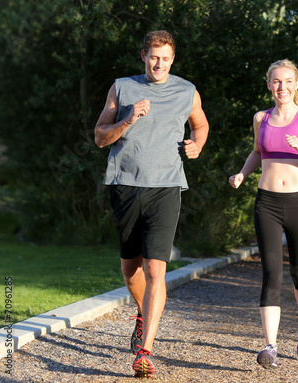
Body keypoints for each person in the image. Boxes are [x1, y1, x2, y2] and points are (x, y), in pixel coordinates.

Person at [94, 30, 209, 378]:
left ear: (173, 60)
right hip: (125, 185)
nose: (159, 64)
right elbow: (100, 137)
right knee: (131, 272)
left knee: (156, 269)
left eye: (166, 58)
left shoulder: (186, 91)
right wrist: (127, 119)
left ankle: (145, 351)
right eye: (153, 57)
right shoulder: (121, 87)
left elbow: (200, 126)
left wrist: (196, 145)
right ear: (143, 55)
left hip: (166, 187)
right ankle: (143, 313)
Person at [229, 59, 298, 369]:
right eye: (276, 82)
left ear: (296, 84)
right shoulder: (260, 118)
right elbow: (257, 152)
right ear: (268, 85)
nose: (282, 87)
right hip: (268, 203)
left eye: (288, 81)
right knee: (271, 273)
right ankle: (270, 345)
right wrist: (242, 174)